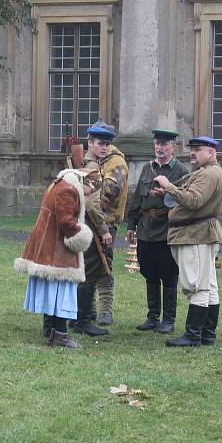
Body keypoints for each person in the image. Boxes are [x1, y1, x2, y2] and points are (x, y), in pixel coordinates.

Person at [155, 136, 222, 347]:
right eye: (192, 149)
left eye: (199, 149)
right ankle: (207, 334)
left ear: (211, 152)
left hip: (196, 234)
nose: (193, 153)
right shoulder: (209, 172)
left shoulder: (208, 174)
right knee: (208, 285)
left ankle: (193, 335)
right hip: (199, 233)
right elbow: (192, 197)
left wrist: (169, 186)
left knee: (196, 285)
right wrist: (170, 191)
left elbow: (194, 200)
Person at [14, 169, 93, 349]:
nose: (90, 192)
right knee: (62, 293)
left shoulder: (58, 183)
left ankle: (52, 331)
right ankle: (60, 335)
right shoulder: (68, 189)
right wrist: (82, 235)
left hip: (49, 245)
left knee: (54, 292)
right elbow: (66, 222)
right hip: (57, 249)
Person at [126, 129, 190, 334]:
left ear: (173, 146)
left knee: (169, 275)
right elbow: (137, 198)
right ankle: (152, 317)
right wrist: (131, 224)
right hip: (145, 230)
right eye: (157, 144)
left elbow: (185, 200)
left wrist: (166, 192)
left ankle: (168, 319)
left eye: (164, 144)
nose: (159, 148)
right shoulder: (147, 168)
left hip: (167, 230)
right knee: (149, 273)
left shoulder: (181, 170)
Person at [83, 119, 129, 327]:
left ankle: (106, 310)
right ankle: (88, 309)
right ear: (91, 142)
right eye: (100, 143)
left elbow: (108, 192)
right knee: (87, 266)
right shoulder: (92, 161)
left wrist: (86, 191)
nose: (104, 147)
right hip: (89, 220)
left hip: (107, 222)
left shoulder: (116, 162)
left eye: (106, 143)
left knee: (104, 264)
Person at [74, 161, 111, 337]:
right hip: (90, 236)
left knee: (83, 277)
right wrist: (104, 231)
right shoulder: (91, 185)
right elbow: (92, 206)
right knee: (89, 277)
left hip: (81, 234)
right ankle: (83, 321)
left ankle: (77, 318)